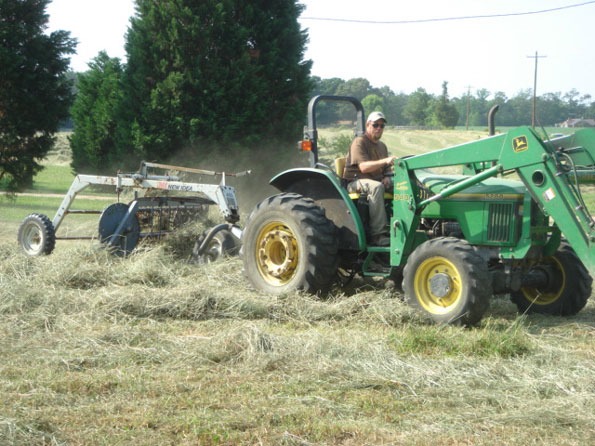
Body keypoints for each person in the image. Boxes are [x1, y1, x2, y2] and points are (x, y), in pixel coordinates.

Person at [342, 111, 396, 246]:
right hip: (355, 182)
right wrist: (385, 161)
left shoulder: (382, 146)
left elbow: (387, 169)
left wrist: (388, 176)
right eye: (375, 125)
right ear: (368, 125)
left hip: (376, 180)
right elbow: (364, 168)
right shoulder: (359, 142)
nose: (379, 128)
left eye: (382, 126)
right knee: (376, 187)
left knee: (405, 186)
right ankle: (378, 235)